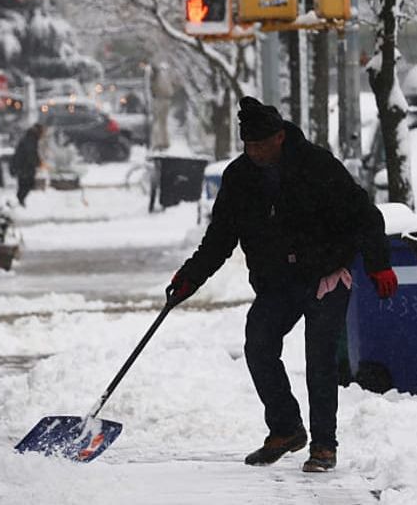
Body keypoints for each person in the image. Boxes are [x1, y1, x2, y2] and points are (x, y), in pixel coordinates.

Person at [166, 97, 396, 474]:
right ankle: (287, 429)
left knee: (320, 358)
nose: (253, 152)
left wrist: (379, 264)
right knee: (258, 345)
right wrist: (190, 277)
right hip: (278, 281)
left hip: (325, 274)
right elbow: (220, 237)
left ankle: (324, 446)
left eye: (260, 144)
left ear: (279, 138)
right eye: (248, 145)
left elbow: (364, 215)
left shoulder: (317, 165)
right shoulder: (239, 178)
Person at [10, 123, 44, 206]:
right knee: (27, 184)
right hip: (24, 166)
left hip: (23, 166)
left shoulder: (30, 137)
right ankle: (20, 201)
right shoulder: (31, 139)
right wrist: (38, 163)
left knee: (24, 184)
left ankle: (20, 201)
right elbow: (31, 153)